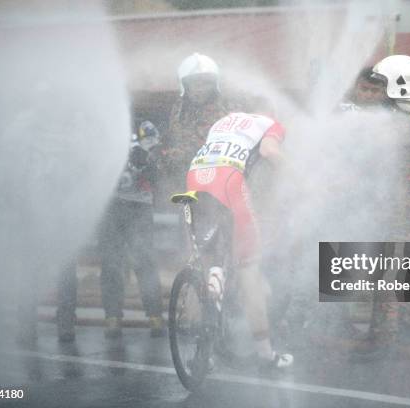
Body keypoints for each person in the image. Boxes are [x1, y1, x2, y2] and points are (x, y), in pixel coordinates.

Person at [182, 100, 293, 369]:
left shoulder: (223, 122)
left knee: (207, 264)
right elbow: (268, 152)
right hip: (229, 183)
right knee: (249, 272)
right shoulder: (271, 124)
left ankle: (203, 351)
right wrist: (297, 173)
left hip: (195, 179)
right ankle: (266, 355)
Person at [358, 55, 410, 346]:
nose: (379, 93)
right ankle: (409, 329)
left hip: (400, 211)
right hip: (405, 208)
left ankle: (383, 341)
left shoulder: (408, 123)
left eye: (383, 85)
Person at [99, 121, 165, 338]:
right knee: (111, 262)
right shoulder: (106, 130)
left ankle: (155, 316)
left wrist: (146, 162)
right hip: (111, 207)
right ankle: (112, 317)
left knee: (145, 260)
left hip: (140, 207)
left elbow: (160, 175)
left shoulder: (148, 129)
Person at [163, 53, 247, 198]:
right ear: (185, 85)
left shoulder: (228, 106)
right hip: (185, 173)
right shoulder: (179, 108)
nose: (200, 89)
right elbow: (174, 134)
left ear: (215, 84)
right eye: (195, 84)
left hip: (222, 169)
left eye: (205, 83)